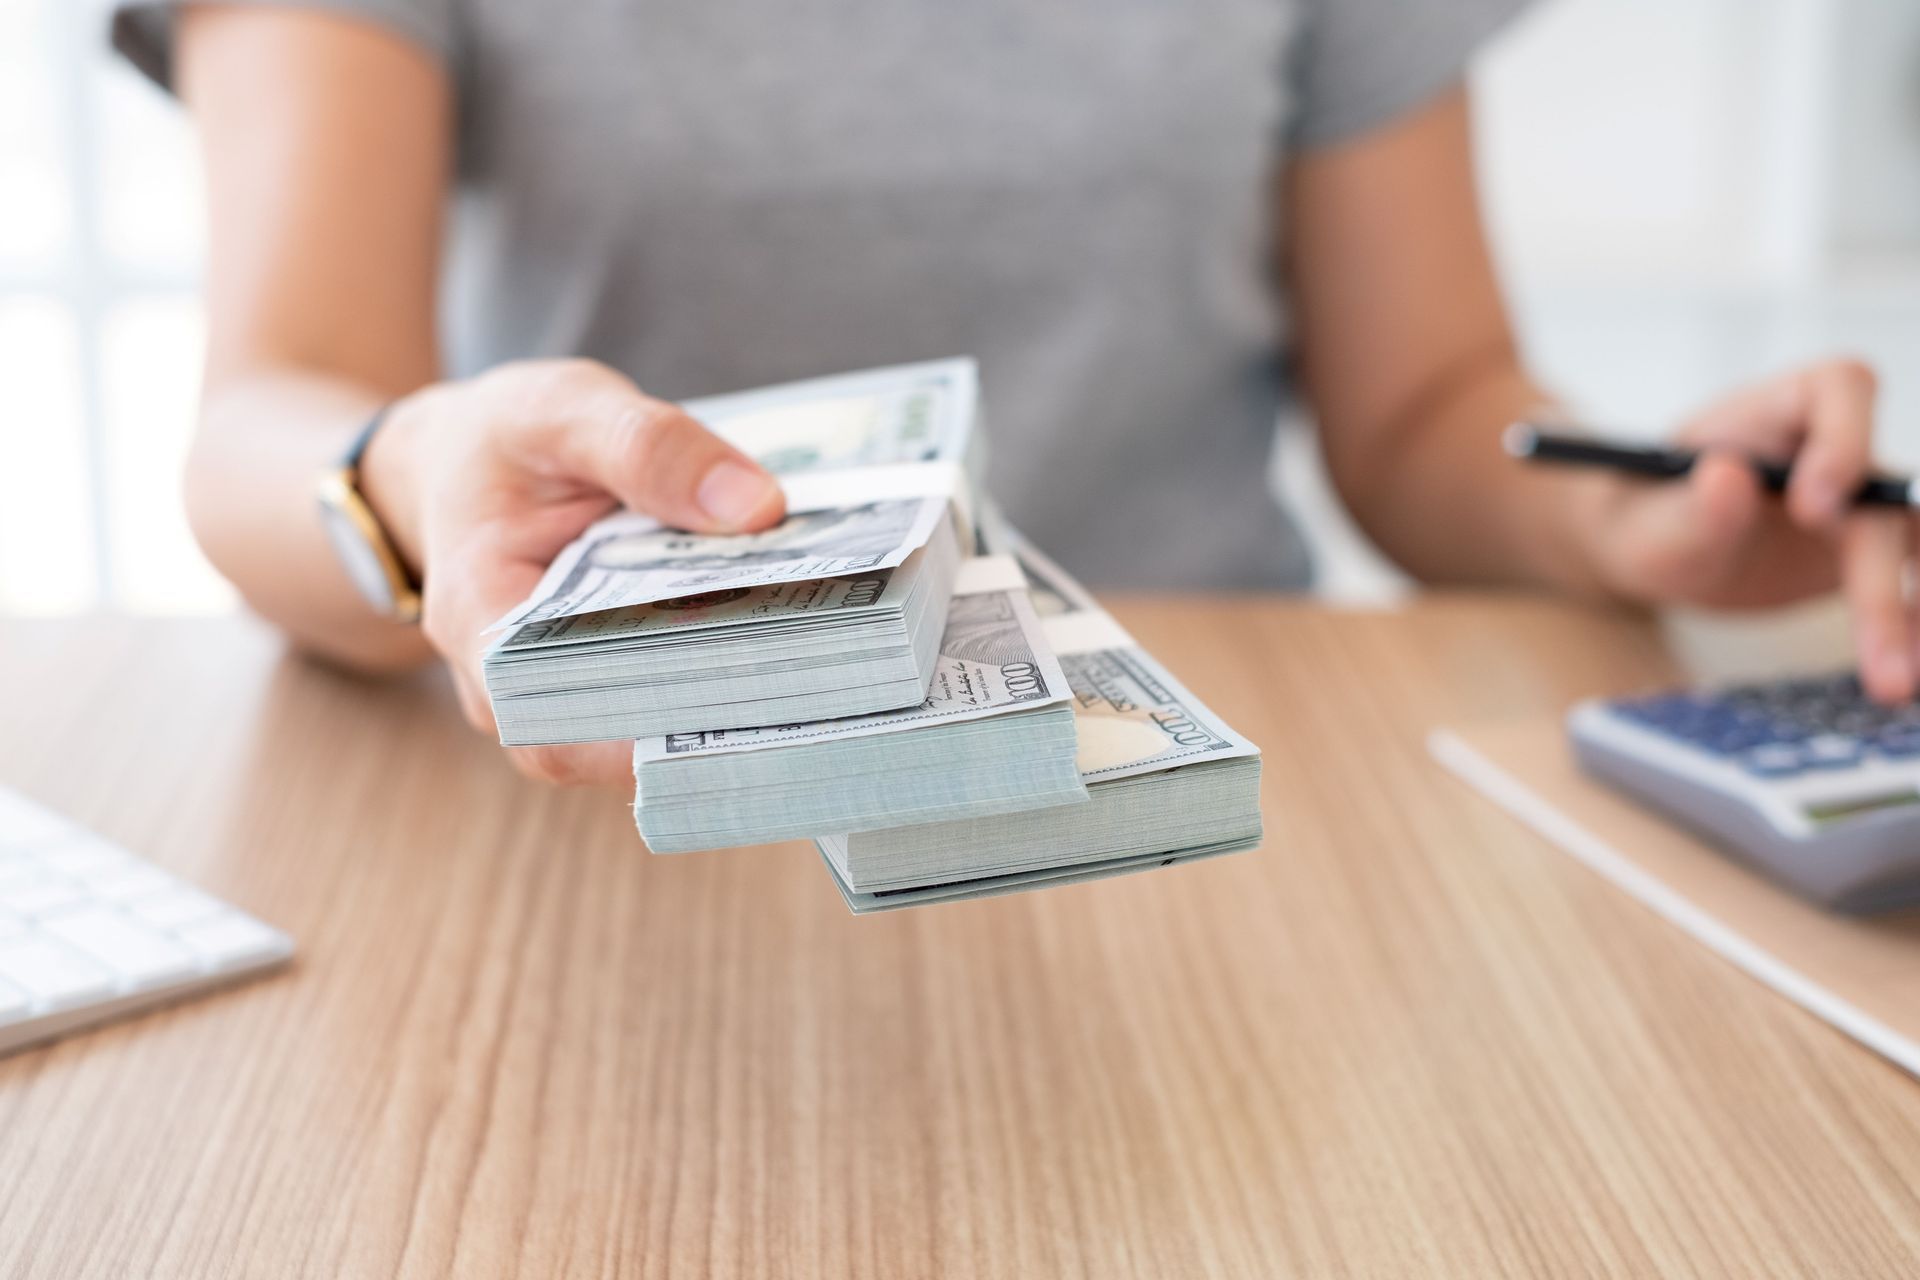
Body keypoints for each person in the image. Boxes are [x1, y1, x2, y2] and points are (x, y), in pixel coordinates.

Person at [111, 1, 1900, 786]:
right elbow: (268, 415)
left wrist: (1629, 512)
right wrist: (413, 474)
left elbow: (1427, 407)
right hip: (583, 792)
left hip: (1195, 781)